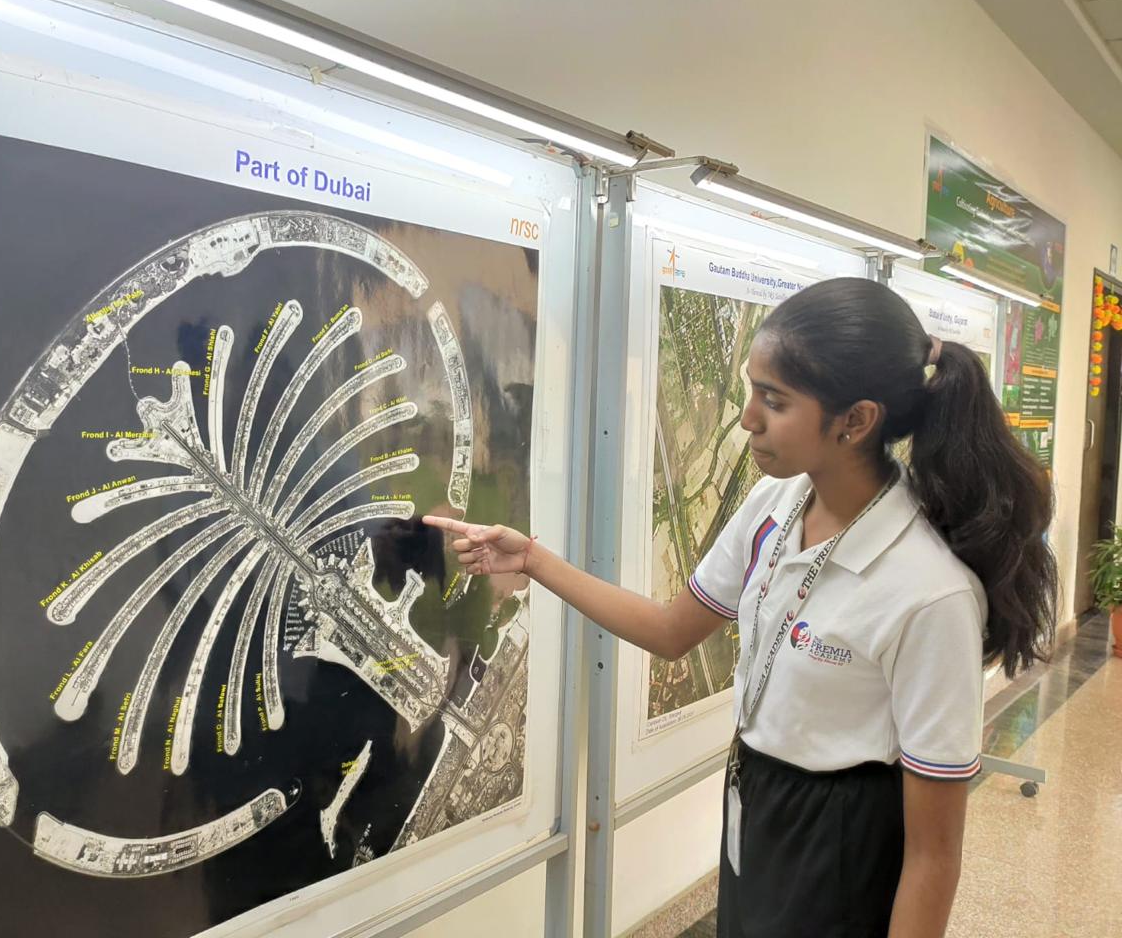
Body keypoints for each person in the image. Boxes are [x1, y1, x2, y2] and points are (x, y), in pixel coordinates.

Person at [425, 277, 1057, 938]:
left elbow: (934, 856)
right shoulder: (773, 510)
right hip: (756, 805)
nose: (748, 418)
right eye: (751, 389)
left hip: (841, 843)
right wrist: (532, 561)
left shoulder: (930, 594)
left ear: (856, 421)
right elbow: (672, 631)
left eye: (774, 400)